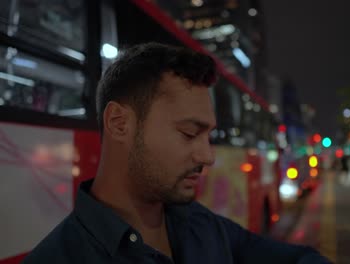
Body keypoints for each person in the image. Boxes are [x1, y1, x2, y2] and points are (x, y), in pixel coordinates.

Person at [24, 43, 330, 264]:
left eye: (208, 136)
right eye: (188, 133)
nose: (208, 157)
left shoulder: (199, 222)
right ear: (119, 124)